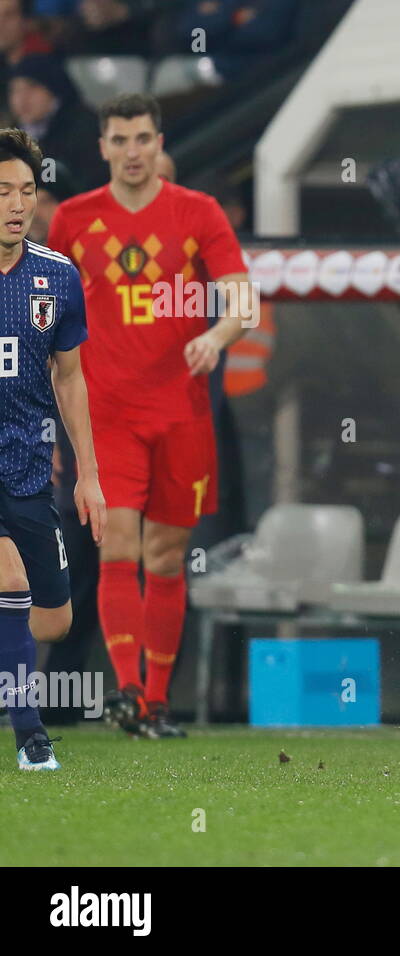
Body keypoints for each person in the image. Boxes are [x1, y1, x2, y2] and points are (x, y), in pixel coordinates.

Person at [46, 92, 249, 738]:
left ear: (159, 145)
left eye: (142, 139)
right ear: (101, 146)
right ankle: (130, 694)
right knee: (118, 548)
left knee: (165, 557)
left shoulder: (199, 213)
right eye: (119, 140)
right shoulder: (73, 222)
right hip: (105, 413)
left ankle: (156, 700)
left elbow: (241, 299)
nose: (132, 152)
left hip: (182, 413)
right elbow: (47, 327)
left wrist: (216, 338)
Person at [0, 127, 104, 768]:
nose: (16, 203)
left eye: (26, 190)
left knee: (53, 620)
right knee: (8, 579)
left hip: (30, 469)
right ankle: (31, 738)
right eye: (2, 191)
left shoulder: (56, 277)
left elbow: (70, 377)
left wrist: (88, 474)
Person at [8, 53, 101, 187]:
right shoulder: (13, 134)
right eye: (15, 90)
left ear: (54, 89)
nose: (22, 99)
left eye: (32, 87)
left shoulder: (84, 127)